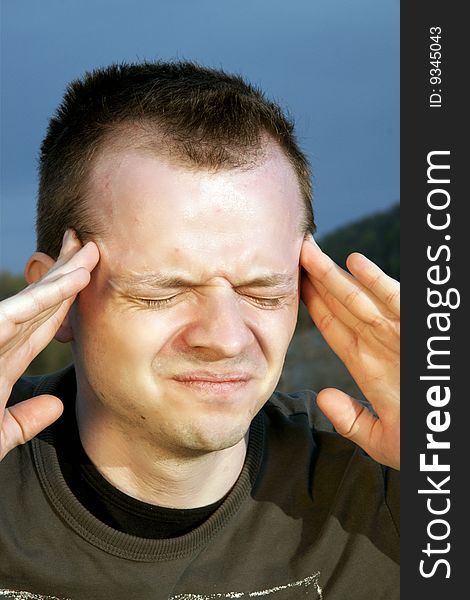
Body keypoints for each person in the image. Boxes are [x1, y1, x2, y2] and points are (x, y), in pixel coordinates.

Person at [0, 62, 399, 600]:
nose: (225, 338)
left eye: (263, 292)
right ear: (59, 303)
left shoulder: (391, 481)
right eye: (161, 292)